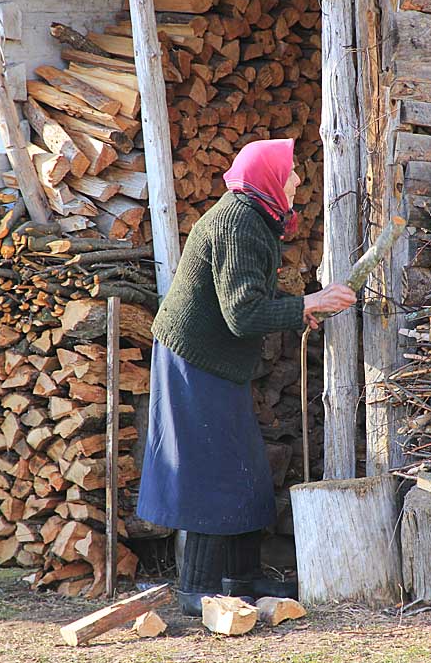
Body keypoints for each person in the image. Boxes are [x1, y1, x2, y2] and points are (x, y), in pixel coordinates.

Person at [136, 138, 356, 615]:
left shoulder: (251, 217)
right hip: (193, 359)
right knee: (210, 467)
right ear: (268, 178)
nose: (298, 180)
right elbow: (241, 313)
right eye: (292, 172)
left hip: (211, 358)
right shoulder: (239, 221)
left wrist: (296, 310)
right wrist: (306, 304)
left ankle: (241, 576)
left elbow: (248, 290)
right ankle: (195, 588)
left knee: (243, 463)